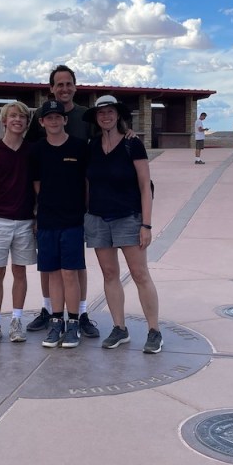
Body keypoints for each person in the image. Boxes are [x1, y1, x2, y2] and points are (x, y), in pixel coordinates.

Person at [23, 64, 100, 340]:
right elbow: (25, 145)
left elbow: (105, 137)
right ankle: (51, 313)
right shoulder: (41, 123)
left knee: (75, 267)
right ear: (52, 88)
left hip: (75, 209)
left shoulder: (84, 117)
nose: (64, 88)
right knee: (51, 268)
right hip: (49, 212)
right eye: (59, 84)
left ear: (75, 87)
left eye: (69, 84)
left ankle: (80, 314)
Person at [83, 95, 163, 354]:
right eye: (100, 112)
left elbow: (144, 186)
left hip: (128, 218)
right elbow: (87, 183)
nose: (105, 116)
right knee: (109, 274)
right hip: (97, 218)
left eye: (110, 112)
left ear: (118, 115)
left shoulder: (132, 145)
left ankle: (154, 330)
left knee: (140, 274)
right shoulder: (92, 146)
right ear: (96, 117)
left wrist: (146, 225)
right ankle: (120, 327)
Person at [29, 99, 88, 349]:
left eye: (58, 117)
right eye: (48, 117)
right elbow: (37, 185)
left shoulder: (79, 147)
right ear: (42, 122)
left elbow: (86, 183)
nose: (54, 121)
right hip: (48, 220)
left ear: (65, 120)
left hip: (73, 220)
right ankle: (56, 321)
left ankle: (73, 323)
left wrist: (84, 210)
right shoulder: (37, 150)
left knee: (70, 273)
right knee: (52, 272)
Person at [0, 101, 36, 345]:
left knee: (20, 272)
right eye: (13, 116)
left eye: (22, 116)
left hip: (24, 221)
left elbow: (37, 187)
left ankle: (16, 321)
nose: (18, 120)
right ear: (4, 121)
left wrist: (36, 216)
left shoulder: (32, 150)